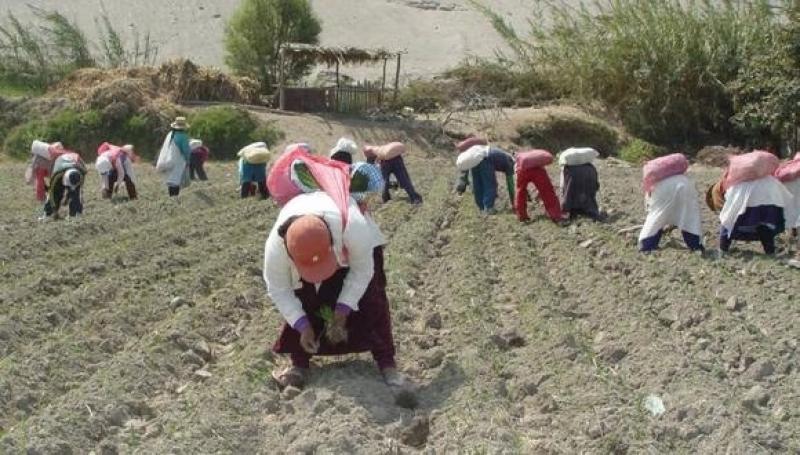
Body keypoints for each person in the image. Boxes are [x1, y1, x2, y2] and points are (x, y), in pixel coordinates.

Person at [264, 191, 404, 390]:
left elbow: (363, 271)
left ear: (331, 242)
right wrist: (302, 325)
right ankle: (299, 362)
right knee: (305, 296)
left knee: (372, 298)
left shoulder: (353, 227)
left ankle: (386, 362)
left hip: (352, 243)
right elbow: (279, 289)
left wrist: (343, 309)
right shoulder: (276, 249)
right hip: (317, 243)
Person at [719, 174, 795, 255]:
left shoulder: (738, 179)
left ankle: (723, 249)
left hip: (743, 191)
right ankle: (770, 251)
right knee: (766, 223)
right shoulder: (770, 180)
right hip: (766, 191)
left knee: (729, 220)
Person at [638, 174, 704, 252]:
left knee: (657, 218)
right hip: (684, 184)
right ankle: (695, 245)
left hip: (661, 187)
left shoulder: (654, 178)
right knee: (688, 217)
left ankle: (648, 246)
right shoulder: (682, 177)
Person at [515, 150, 564, 222]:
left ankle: (522, 216)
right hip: (537, 171)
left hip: (522, 171)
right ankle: (556, 215)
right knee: (548, 192)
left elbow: (517, 173)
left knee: (520, 192)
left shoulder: (519, 159)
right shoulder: (538, 162)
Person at [41, 152, 86, 221]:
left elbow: (80, 192)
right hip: (60, 167)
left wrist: (68, 198)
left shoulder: (81, 173)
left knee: (75, 194)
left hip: (75, 167)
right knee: (56, 193)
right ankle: (48, 214)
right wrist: (54, 208)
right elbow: (51, 192)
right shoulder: (57, 174)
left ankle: (74, 214)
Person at [158, 116, 192, 197]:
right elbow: (186, 151)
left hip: (169, 159)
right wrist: (188, 160)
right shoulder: (183, 136)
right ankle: (174, 198)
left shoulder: (171, 134)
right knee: (176, 180)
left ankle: (171, 197)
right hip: (178, 161)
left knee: (171, 180)